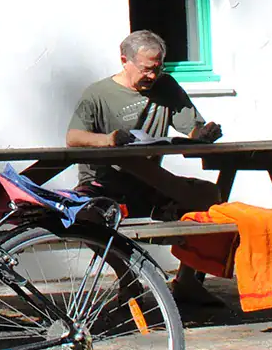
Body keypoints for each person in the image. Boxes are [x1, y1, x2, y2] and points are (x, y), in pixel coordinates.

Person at [66, 30, 225, 306]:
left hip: (151, 184)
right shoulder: (97, 94)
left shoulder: (166, 87)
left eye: (158, 68)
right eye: (147, 69)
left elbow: (191, 128)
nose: (153, 75)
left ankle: (187, 280)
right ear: (124, 60)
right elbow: (74, 138)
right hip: (104, 186)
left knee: (209, 198)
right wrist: (108, 140)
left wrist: (203, 134)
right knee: (85, 216)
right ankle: (128, 280)